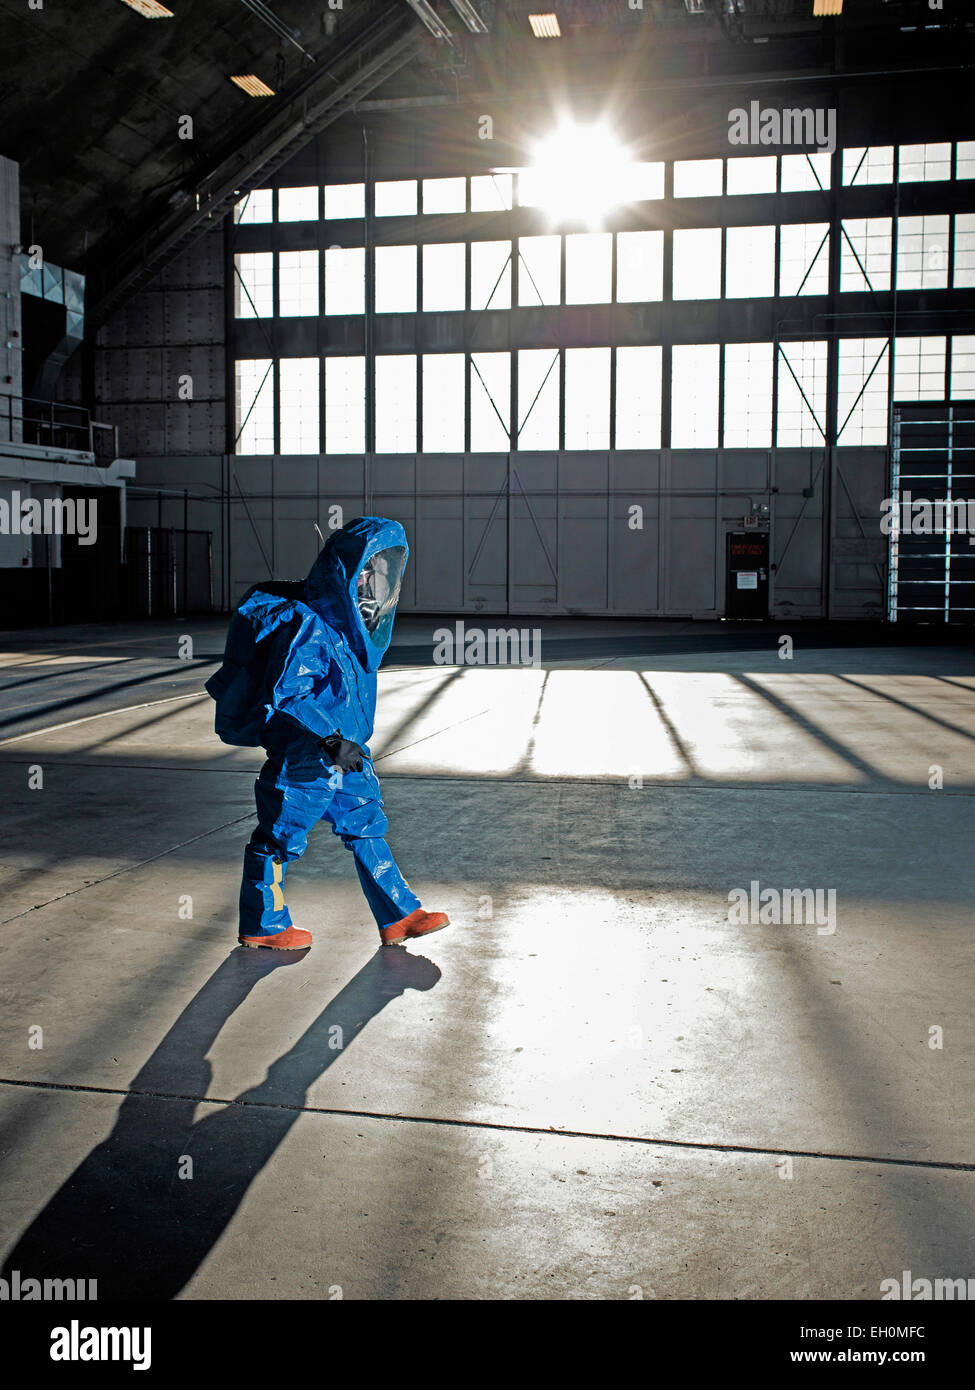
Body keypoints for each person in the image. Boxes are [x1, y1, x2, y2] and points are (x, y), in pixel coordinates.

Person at [204, 515, 449, 951]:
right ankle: (263, 925)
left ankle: (399, 914)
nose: (373, 583)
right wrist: (331, 740)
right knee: (279, 835)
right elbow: (289, 692)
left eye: (381, 573)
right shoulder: (309, 626)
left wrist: (346, 746)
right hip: (310, 756)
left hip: (347, 753)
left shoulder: (354, 632)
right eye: (366, 572)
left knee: (366, 825)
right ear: (346, 572)